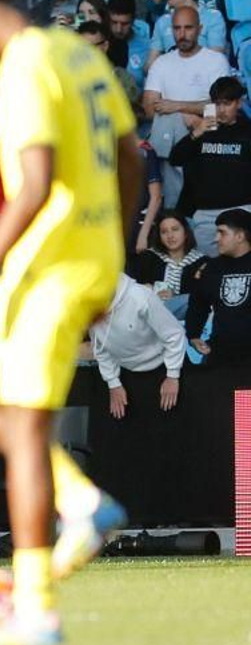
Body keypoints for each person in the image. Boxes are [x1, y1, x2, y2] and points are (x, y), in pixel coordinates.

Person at [0, 0, 143, 645]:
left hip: (49, 263)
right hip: (79, 255)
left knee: (24, 429)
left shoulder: (22, 65)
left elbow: (32, 188)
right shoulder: (79, 53)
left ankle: (36, 608)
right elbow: (130, 153)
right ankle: (81, 501)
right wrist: (114, 259)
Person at [143, 7, 230, 208]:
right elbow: (149, 109)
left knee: (172, 122)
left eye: (188, 28)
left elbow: (220, 109)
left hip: (207, 134)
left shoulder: (215, 61)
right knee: (168, 124)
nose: (182, 34)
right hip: (174, 136)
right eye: (177, 28)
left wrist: (176, 106)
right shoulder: (162, 63)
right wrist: (186, 116)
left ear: (200, 29)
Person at [166, 76, 251, 254]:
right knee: (208, 266)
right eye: (217, 104)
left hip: (241, 209)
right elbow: (175, 159)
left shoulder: (248, 132)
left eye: (227, 104)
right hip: (205, 213)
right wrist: (196, 133)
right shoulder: (203, 130)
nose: (221, 110)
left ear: (240, 103)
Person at [90, 274, 186, 421]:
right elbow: (100, 347)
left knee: (170, 424)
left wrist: (172, 376)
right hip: (127, 373)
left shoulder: (139, 296)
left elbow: (174, 334)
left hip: (163, 367)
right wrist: (113, 383)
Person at [184, 209, 251, 369]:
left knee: (244, 395)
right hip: (220, 355)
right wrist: (193, 335)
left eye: (222, 233)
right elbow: (198, 304)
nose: (216, 239)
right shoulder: (211, 268)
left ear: (240, 236)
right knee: (219, 394)